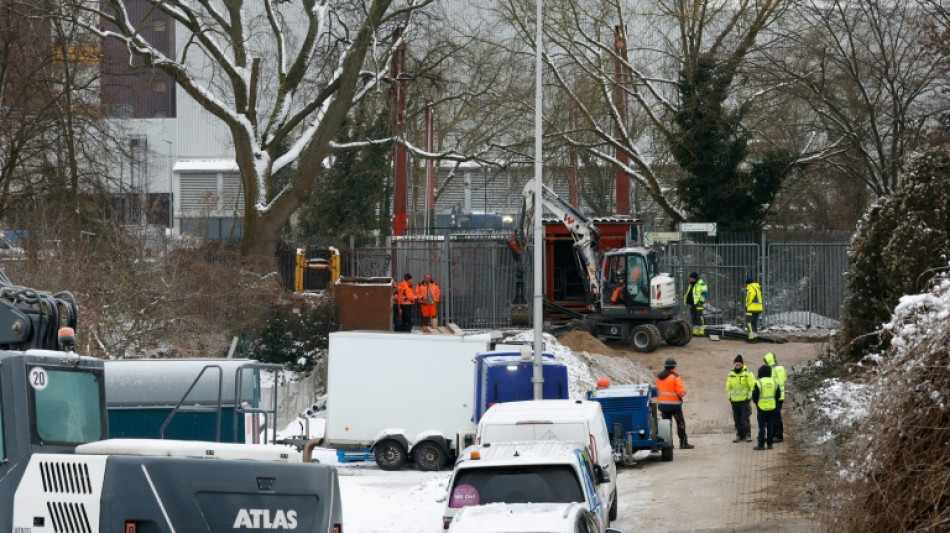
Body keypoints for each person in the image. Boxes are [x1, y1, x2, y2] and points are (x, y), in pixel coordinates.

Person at [655, 357, 694, 449]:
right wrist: (684, 392)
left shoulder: (659, 378)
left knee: (666, 426)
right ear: (674, 367)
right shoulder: (676, 378)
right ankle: (683, 443)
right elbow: (680, 393)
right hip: (674, 406)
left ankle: (668, 444)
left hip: (663, 406)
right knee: (680, 423)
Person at [725, 355, 755, 443]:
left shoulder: (748, 374)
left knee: (745, 418)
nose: (737, 366)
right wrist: (730, 396)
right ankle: (739, 434)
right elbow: (728, 386)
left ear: (742, 364)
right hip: (734, 401)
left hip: (744, 401)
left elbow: (752, 386)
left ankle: (747, 435)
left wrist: (749, 397)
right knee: (737, 419)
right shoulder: (731, 374)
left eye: (739, 364)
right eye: (736, 364)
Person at [751, 364, 781, 450]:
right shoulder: (774, 382)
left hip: (762, 408)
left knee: (761, 427)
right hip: (772, 407)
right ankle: (770, 444)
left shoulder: (759, 382)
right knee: (770, 426)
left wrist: (757, 404)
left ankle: (761, 445)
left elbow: (755, 396)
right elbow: (778, 395)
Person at [764, 352, 787, 442]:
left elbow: (780, 381)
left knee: (776, 416)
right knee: (772, 416)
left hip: (778, 396)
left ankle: (778, 435)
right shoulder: (774, 368)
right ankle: (773, 434)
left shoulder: (777, 368)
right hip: (774, 396)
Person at [684, 272, 708, 336]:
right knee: (693, 316)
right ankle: (695, 331)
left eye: (691, 278)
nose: (689, 279)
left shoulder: (701, 283)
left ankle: (701, 330)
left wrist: (701, 300)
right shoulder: (691, 284)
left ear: (694, 278)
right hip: (692, 303)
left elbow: (705, 292)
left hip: (699, 303)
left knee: (699, 315)